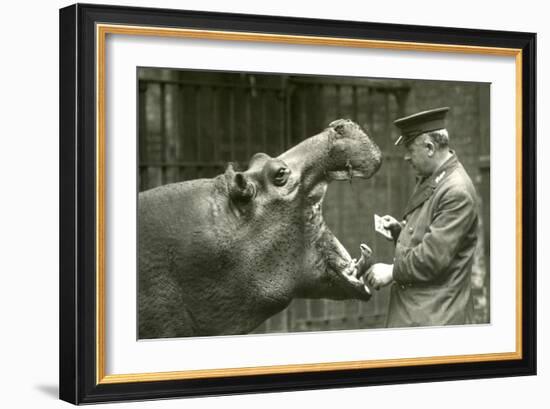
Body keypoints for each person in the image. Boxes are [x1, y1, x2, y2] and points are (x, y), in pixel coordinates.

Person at [364, 107, 479, 327]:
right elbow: (432, 233)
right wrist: (399, 231)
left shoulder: (456, 191)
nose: (406, 157)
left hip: (437, 317)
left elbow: (433, 258)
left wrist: (392, 271)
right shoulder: (434, 177)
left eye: (410, 148)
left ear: (429, 147)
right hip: (421, 312)